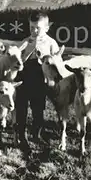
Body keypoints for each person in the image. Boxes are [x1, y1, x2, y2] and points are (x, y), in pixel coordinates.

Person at [15, 10, 60, 152]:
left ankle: (37, 133)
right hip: (24, 75)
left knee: (38, 107)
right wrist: (24, 54)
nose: (34, 31)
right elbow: (16, 58)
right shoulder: (26, 41)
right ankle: (21, 135)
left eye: (38, 28)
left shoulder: (51, 42)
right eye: (31, 27)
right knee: (21, 107)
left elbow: (57, 60)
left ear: (46, 28)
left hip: (41, 77)